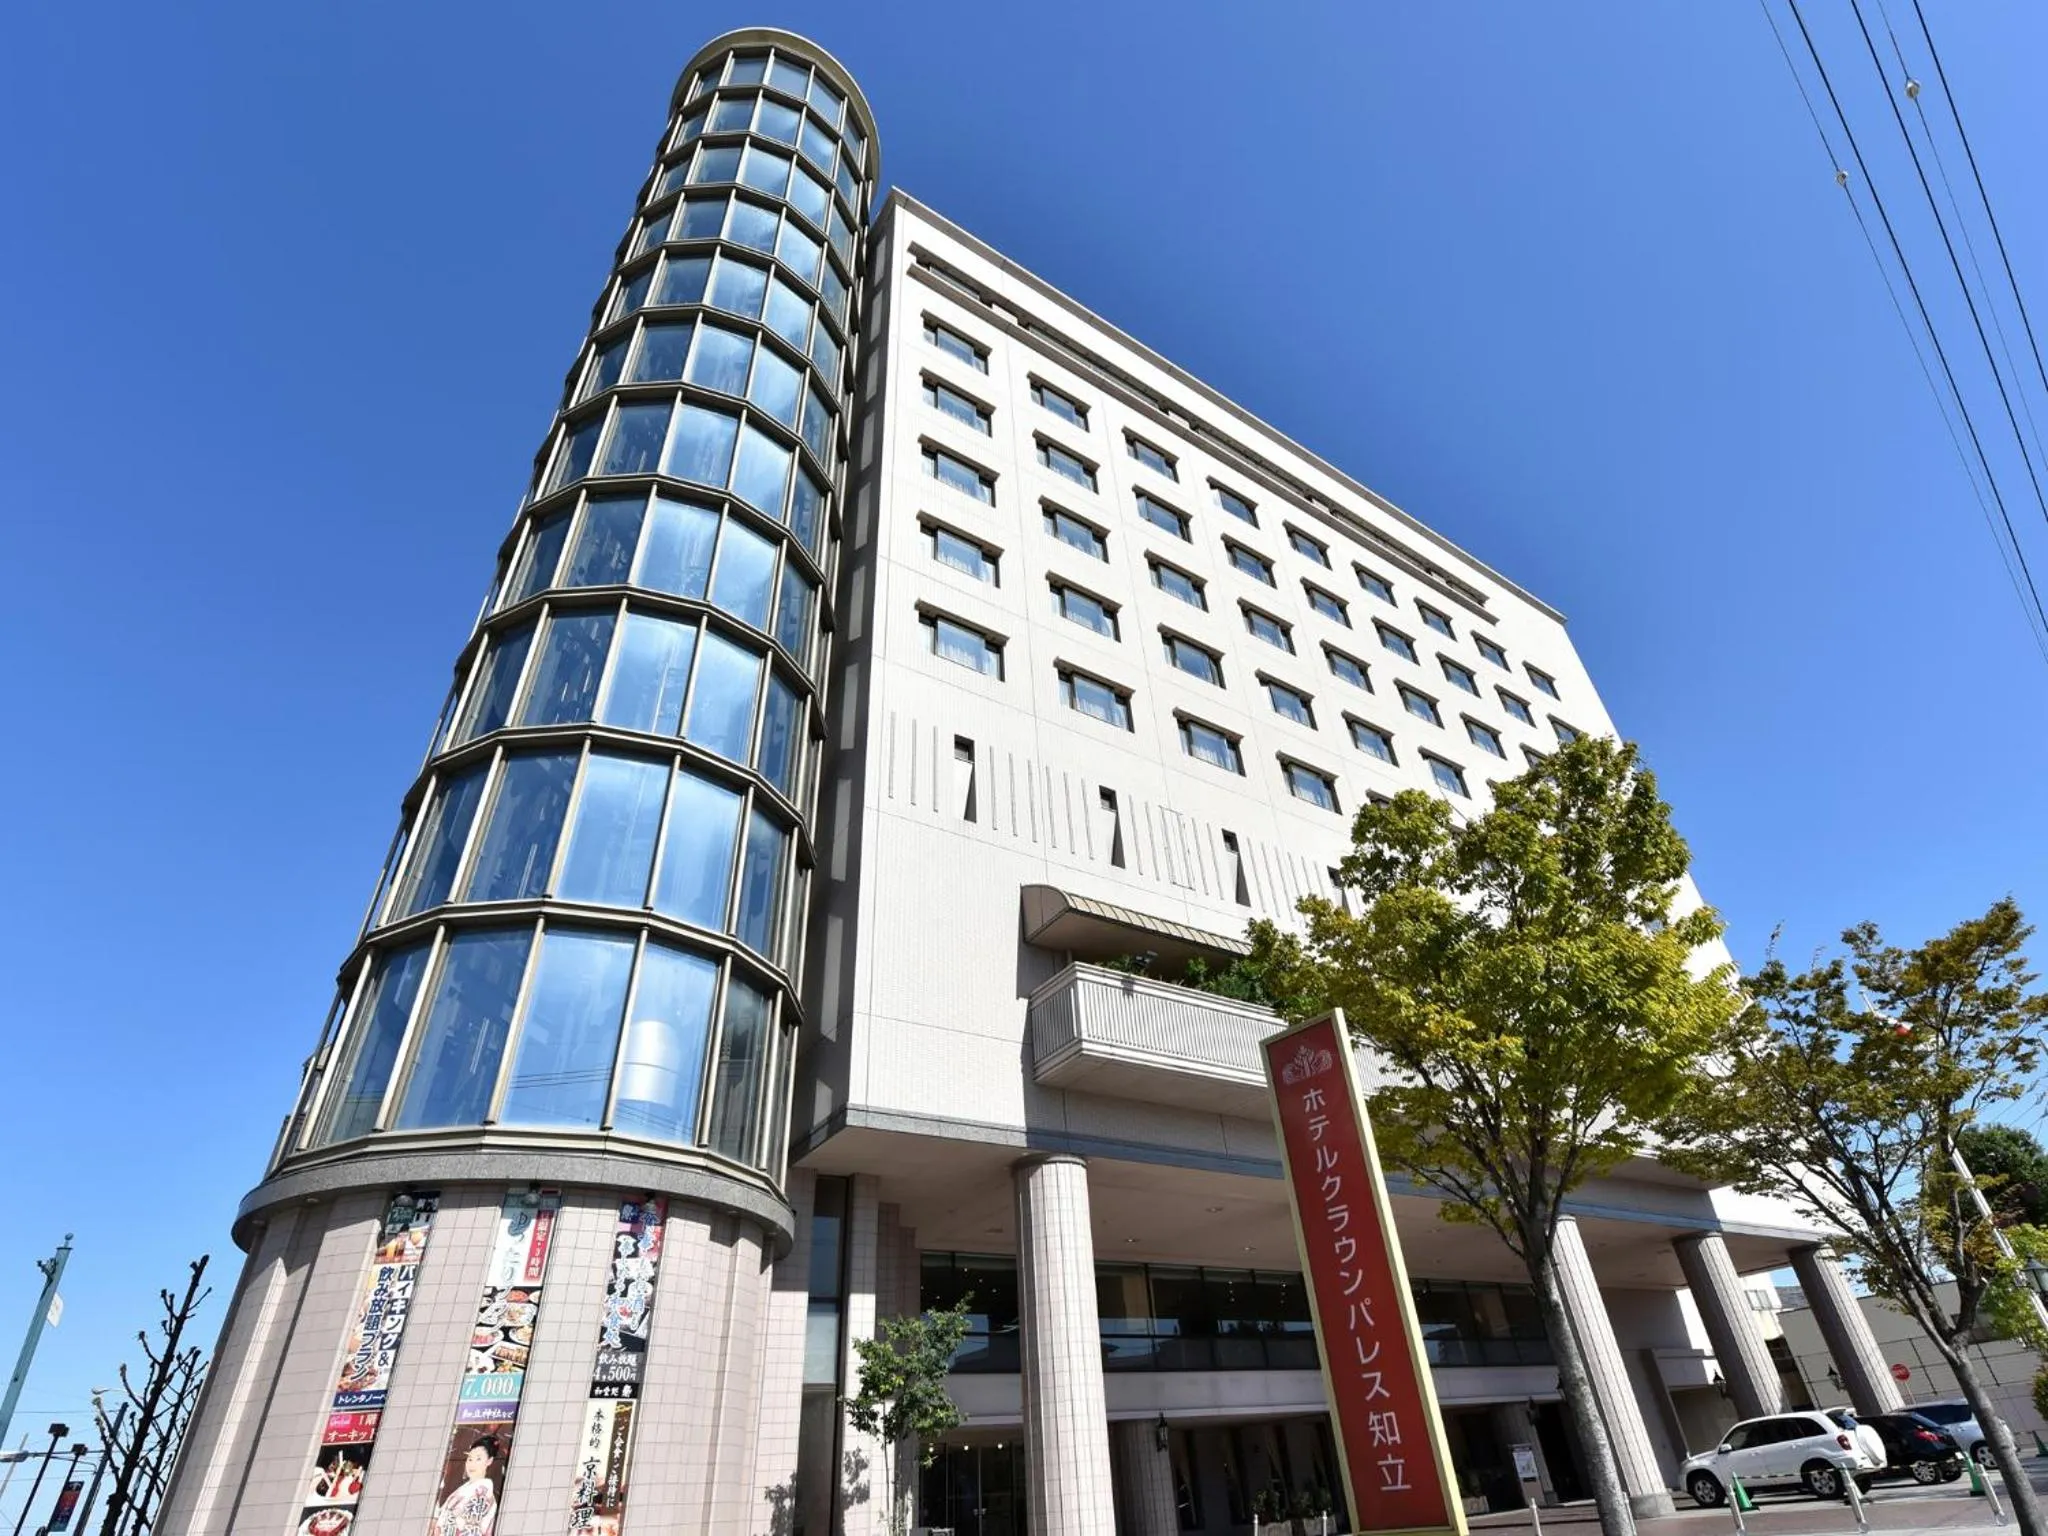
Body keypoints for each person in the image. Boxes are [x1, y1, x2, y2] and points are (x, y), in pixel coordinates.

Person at [432, 1434, 502, 1536]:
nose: (472, 1464)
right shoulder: (465, 1488)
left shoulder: (483, 1490)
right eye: (470, 1459)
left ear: (489, 1461)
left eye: (478, 1459)